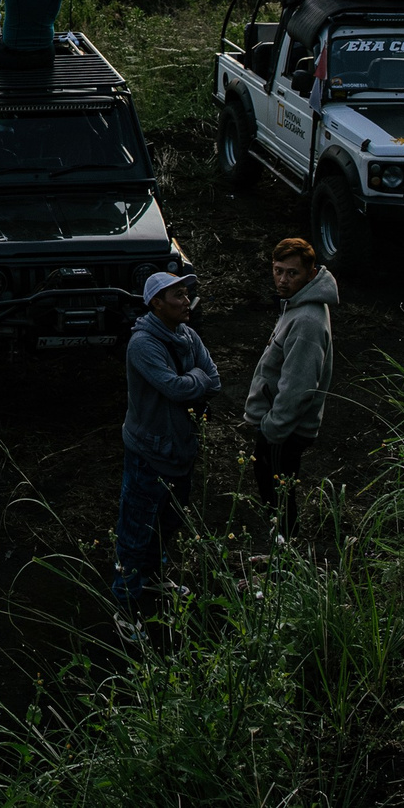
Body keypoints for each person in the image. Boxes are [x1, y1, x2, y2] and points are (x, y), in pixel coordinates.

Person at [112, 271, 222, 614]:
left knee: (168, 521)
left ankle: (151, 575)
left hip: (180, 449)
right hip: (149, 451)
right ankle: (125, 606)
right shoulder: (143, 344)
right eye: (177, 296)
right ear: (156, 304)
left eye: (186, 294)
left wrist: (195, 380)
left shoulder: (187, 334)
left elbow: (214, 379)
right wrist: (197, 379)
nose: (186, 301)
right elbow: (174, 388)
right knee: (135, 530)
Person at [242, 237, 336, 536]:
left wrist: (272, 429)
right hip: (281, 426)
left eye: (292, 273)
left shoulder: (307, 319)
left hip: (285, 430)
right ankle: (283, 555)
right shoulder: (298, 304)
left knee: (279, 500)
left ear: (310, 273)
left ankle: (286, 562)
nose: (282, 279)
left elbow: (299, 387)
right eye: (278, 270)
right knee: (276, 496)